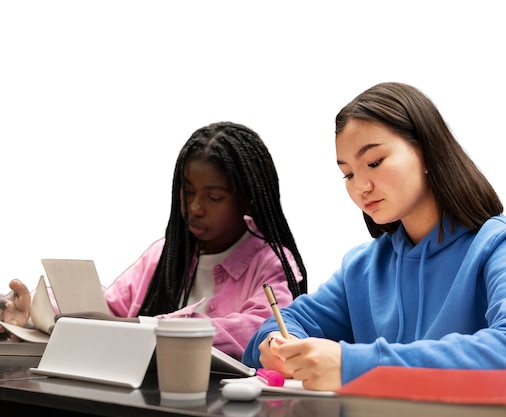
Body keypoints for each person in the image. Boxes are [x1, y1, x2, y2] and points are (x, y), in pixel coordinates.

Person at [242, 82, 506, 394]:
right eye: (348, 173)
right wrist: (277, 345)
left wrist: (354, 366)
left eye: (374, 162)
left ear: (426, 152)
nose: (360, 186)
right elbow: (285, 321)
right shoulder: (364, 267)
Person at [1, 121, 307, 360]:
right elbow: (109, 307)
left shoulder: (273, 263)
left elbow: (259, 331)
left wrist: (149, 328)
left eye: (214, 197)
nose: (196, 208)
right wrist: (37, 309)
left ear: (247, 199)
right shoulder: (167, 253)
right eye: (188, 193)